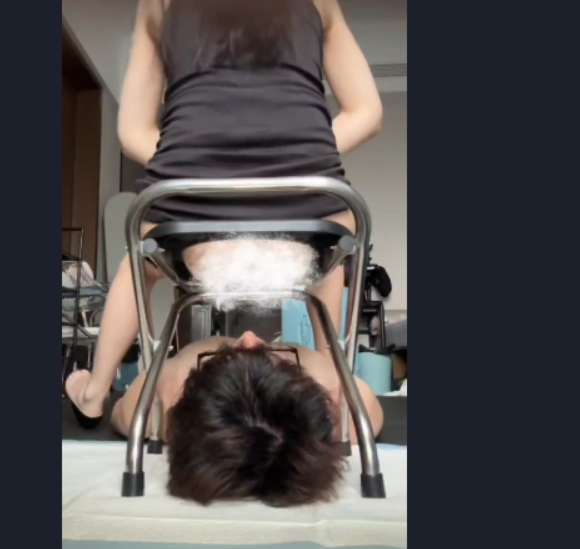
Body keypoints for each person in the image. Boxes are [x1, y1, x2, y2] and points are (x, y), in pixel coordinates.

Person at [66, 0, 383, 425]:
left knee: (139, 263)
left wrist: (203, 170)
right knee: (331, 233)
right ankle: (335, 379)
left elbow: (133, 132)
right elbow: (367, 114)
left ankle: (93, 392)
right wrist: (288, 166)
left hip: (194, 233)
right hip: (306, 236)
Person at [108, 330, 384, 507]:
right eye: (270, 358)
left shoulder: (157, 399)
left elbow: (119, 413)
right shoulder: (346, 405)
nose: (250, 336)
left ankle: (90, 393)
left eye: (225, 358)